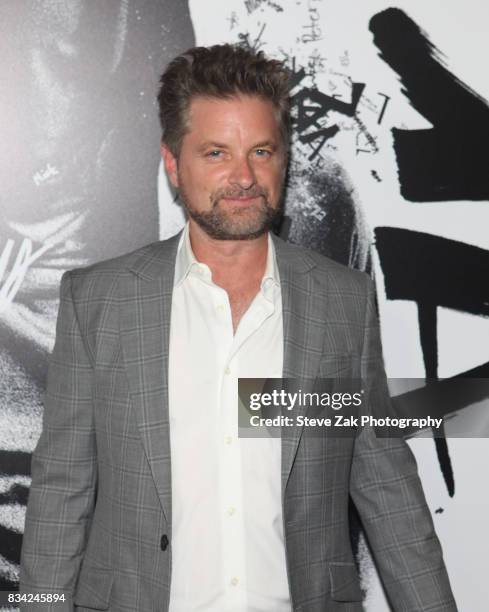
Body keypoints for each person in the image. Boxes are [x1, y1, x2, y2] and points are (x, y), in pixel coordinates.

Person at [20, 44, 457, 612]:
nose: (243, 177)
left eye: (261, 151)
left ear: (285, 158)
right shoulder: (99, 302)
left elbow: (385, 484)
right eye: (216, 153)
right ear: (174, 163)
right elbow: (61, 495)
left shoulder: (342, 301)